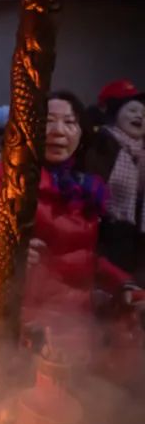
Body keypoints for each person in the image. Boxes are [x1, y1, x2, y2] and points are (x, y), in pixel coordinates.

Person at [0, 92, 136, 337]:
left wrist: (122, 283)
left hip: (70, 329)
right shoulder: (3, 175)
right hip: (10, 323)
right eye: (47, 121)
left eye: (69, 122)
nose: (58, 130)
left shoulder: (85, 188)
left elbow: (80, 256)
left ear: (81, 133)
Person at [84, 81, 145, 278]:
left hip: (135, 242)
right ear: (114, 114)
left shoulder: (141, 154)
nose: (140, 116)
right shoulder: (102, 144)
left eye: (144, 114)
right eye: (133, 110)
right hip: (104, 235)